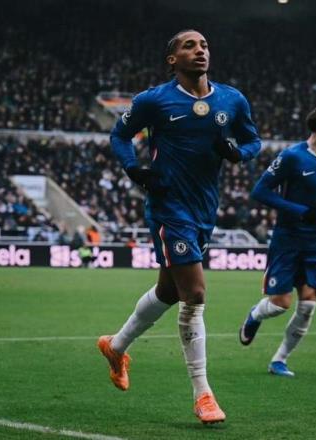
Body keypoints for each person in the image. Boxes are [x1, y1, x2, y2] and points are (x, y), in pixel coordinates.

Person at [98, 29, 261, 424]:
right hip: (168, 206)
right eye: (189, 46)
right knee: (195, 293)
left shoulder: (231, 100)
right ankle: (203, 394)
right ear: (172, 59)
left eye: (204, 45)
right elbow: (120, 135)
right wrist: (133, 168)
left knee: (169, 290)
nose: (200, 50)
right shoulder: (155, 100)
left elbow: (253, 142)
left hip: (204, 208)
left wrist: (237, 153)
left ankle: (115, 347)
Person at [239, 104, 316, 377]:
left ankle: (280, 360)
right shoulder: (292, 157)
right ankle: (255, 315)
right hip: (288, 240)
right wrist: (298, 210)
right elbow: (260, 191)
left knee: (308, 304)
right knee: (280, 304)